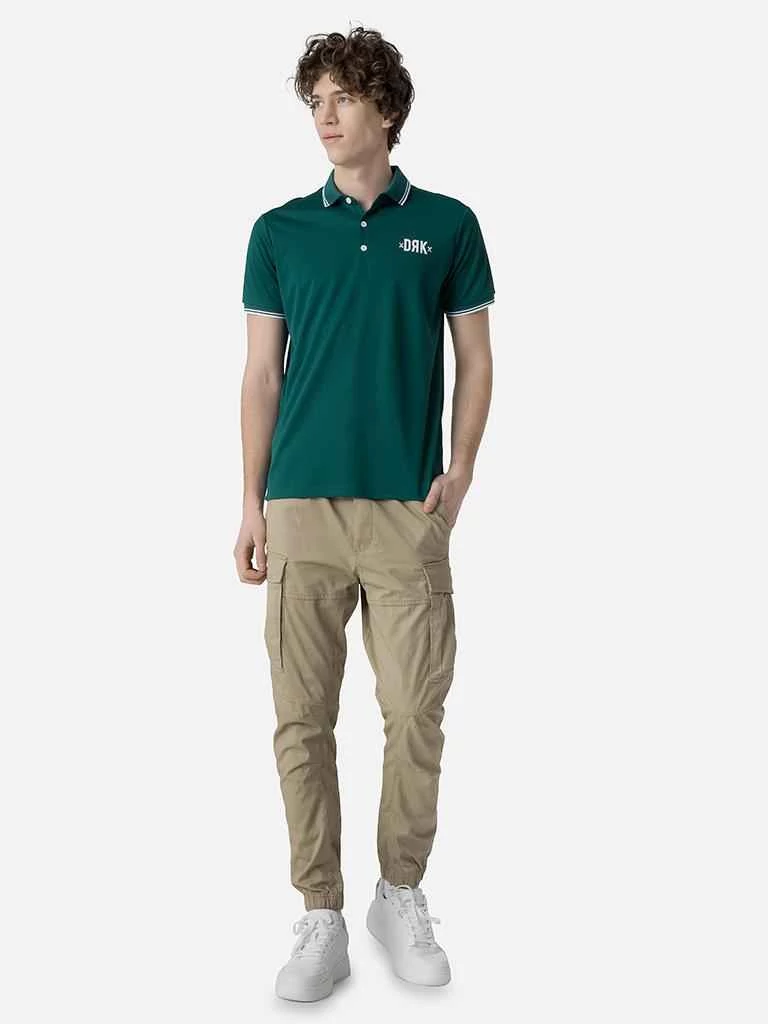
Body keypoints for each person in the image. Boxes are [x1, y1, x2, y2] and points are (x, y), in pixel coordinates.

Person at [234, 26, 495, 1001]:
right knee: (301, 719)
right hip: (299, 503)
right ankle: (321, 912)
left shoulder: (450, 226)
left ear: (387, 106)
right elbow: (262, 375)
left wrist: (460, 471)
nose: (326, 116)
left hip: (405, 508)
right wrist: (251, 501)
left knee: (415, 709)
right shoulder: (278, 232)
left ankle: (399, 891)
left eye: (342, 97)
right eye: (316, 101)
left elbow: (476, 359)